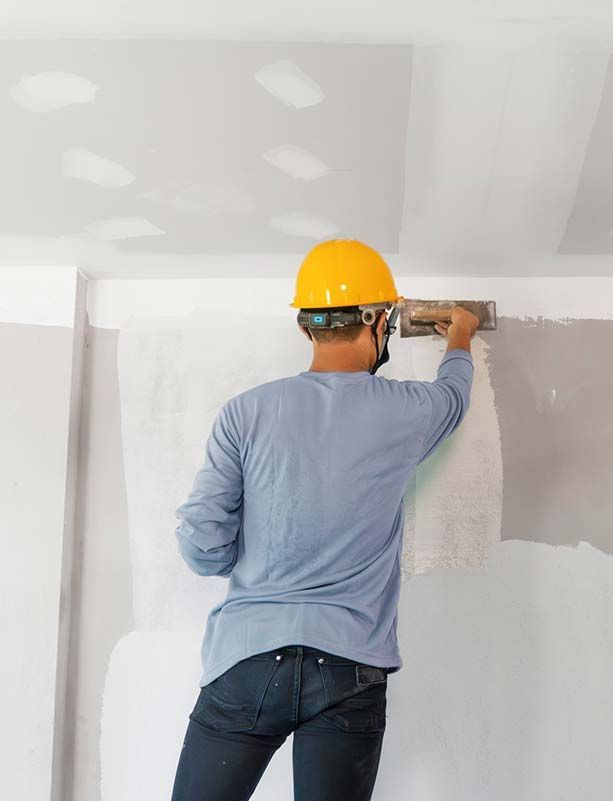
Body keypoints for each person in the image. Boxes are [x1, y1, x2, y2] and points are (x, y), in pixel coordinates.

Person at [170, 239, 479, 801]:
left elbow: (201, 549)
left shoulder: (246, 411)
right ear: (378, 321)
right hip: (349, 666)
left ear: (305, 327)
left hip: (248, 656)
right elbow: (454, 395)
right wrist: (459, 332)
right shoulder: (406, 410)